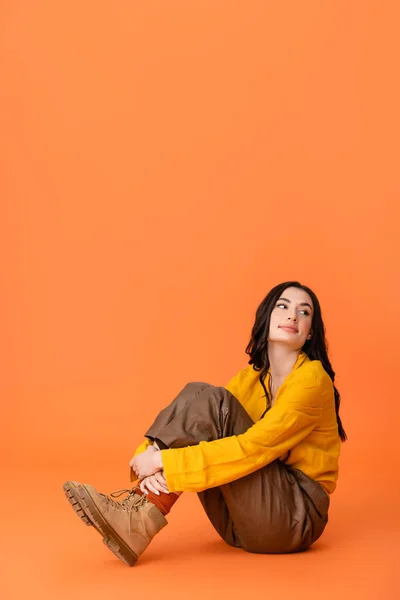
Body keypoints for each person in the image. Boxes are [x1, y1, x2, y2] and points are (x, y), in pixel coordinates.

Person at [63, 280, 346, 566]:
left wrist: (165, 460)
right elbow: (199, 421)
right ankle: (137, 514)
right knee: (202, 394)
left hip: (292, 521)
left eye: (304, 312)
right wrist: (146, 457)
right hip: (240, 524)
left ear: (311, 333)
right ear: (266, 318)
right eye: (282, 306)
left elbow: (255, 448)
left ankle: (139, 515)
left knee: (214, 405)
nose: (293, 316)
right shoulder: (250, 379)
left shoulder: (312, 379)